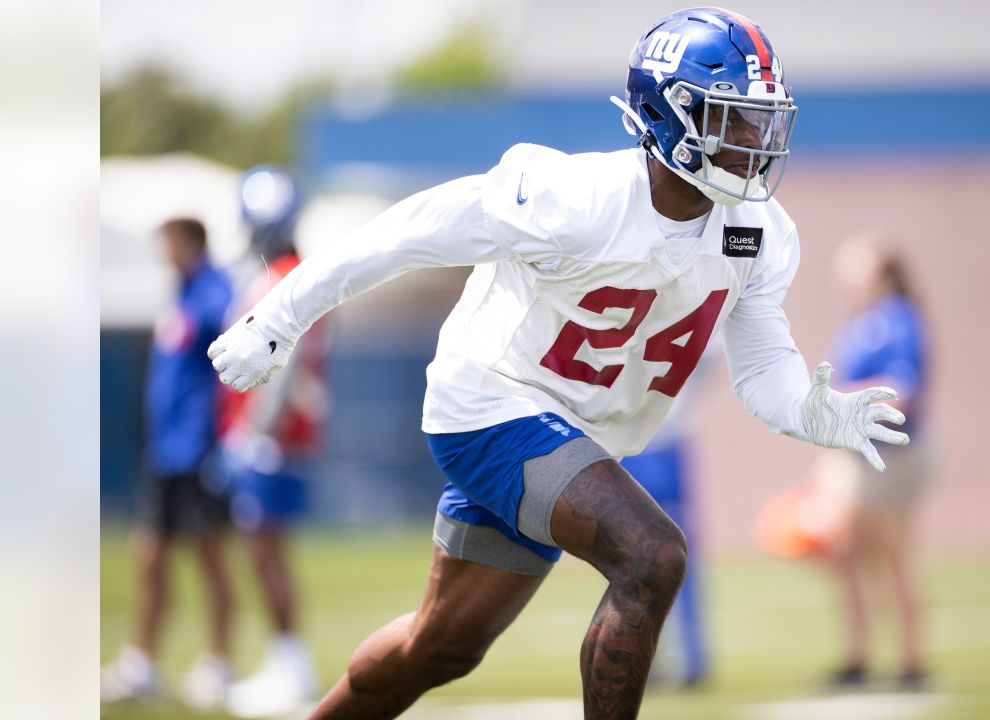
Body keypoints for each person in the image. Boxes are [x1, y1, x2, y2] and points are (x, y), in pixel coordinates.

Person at [207, 8, 909, 719]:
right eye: (734, 119)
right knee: (652, 555)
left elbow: (763, 367)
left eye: (763, 121)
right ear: (670, 115)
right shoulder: (575, 198)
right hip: (490, 406)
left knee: (441, 647)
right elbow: (406, 233)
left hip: (572, 439)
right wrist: (280, 316)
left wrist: (809, 410)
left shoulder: (758, 233)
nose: (755, 143)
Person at [101, 218, 237, 710]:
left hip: (198, 452)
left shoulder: (215, 292)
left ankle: (220, 664)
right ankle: (140, 664)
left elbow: (231, 365)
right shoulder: (177, 294)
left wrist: (219, 441)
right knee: (150, 556)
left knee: (211, 558)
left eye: (168, 242)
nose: (162, 252)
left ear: (189, 242)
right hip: (165, 453)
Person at [216, 165, 325, 718]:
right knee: (261, 551)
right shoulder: (278, 271)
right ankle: (285, 659)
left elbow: (288, 362)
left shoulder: (289, 274)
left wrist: (254, 431)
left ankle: (290, 662)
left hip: (274, 438)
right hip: (266, 435)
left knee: (265, 551)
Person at [819, 235, 934, 690]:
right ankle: (859, 655)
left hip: (893, 454)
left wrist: (840, 399)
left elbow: (900, 388)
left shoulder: (898, 321)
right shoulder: (861, 322)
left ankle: (911, 660)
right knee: (847, 555)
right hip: (861, 453)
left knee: (892, 557)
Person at [618, 356, 714, 688]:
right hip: (626, 443)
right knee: (624, 557)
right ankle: (639, 656)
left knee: (674, 553)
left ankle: (688, 657)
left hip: (661, 443)